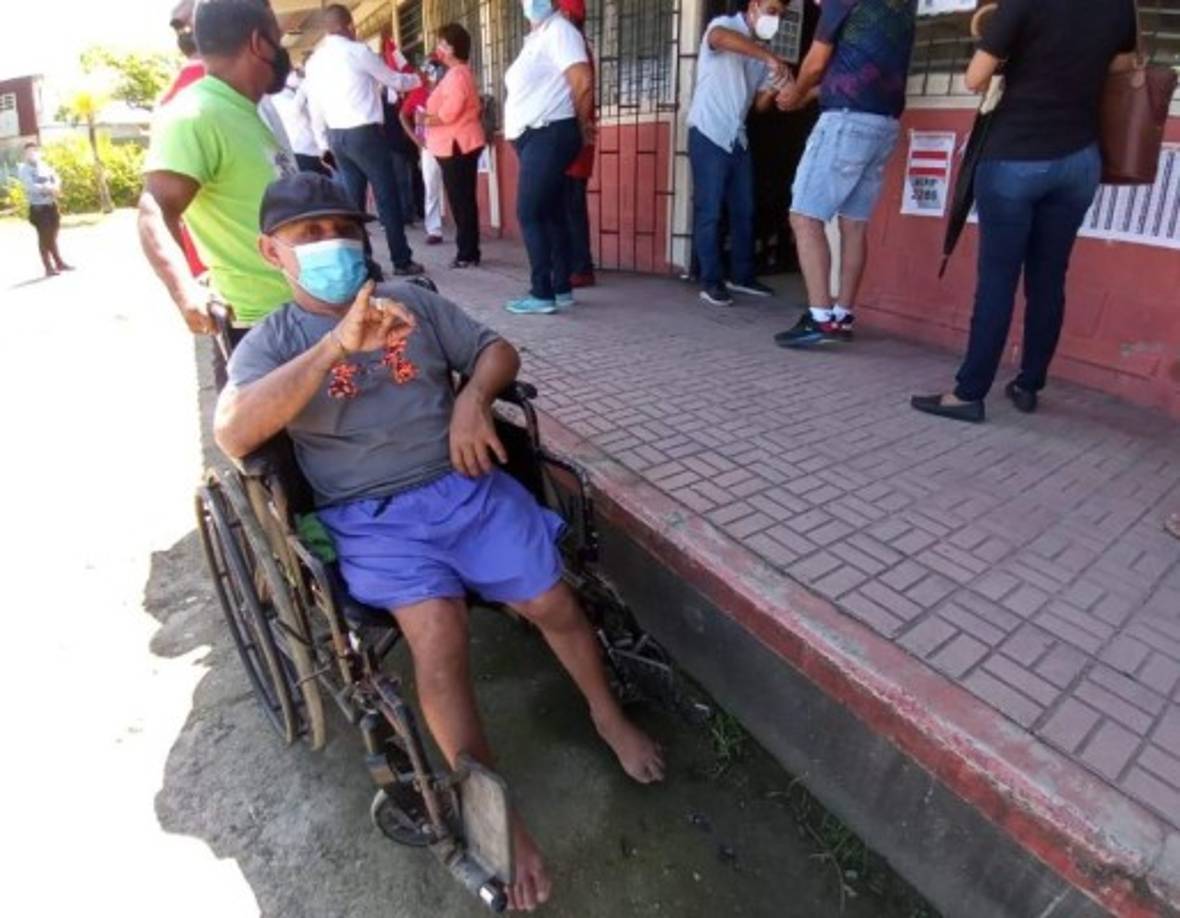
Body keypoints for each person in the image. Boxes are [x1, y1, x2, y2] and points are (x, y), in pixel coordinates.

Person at [215, 172, 665, 912]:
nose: (333, 245)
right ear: (273, 252)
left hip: (463, 484)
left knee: (553, 599)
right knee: (437, 633)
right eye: (309, 236)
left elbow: (496, 350)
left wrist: (470, 400)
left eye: (343, 231)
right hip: (369, 514)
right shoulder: (273, 343)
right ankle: (496, 812)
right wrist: (335, 346)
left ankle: (606, 714)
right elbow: (234, 433)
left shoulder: (415, 302)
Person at [911, 0, 1136, 422]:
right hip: (1080, 159)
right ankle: (1029, 385)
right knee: (1049, 280)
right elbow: (1124, 69)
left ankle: (968, 394)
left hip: (1016, 156)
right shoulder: (1119, 7)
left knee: (997, 281)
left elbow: (976, 78)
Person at [139, 0, 296, 338]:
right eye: (277, 39)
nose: (282, 52)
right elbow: (154, 210)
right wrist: (185, 292)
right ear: (258, 43)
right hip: (264, 325)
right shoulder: (196, 115)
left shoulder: (248, 109)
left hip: (300, 308)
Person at [774, 0, 917, 347]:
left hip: (845, 123)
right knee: (854, 225)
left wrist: (795, 92)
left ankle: (820, 320)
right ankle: (842, 315)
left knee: (805, 217)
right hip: (883, 126)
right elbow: (861, 69)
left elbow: (817, 61)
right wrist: (809, 96)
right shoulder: (902, 6)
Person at [303, 4, 425, 277]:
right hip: (364, 134)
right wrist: (420, 79)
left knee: (354, 205)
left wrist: (323, 143)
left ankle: (363, 264)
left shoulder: (314, 62)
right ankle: (401, 260)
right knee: (386, 197)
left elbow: (315, 107)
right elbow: (394, 80)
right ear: (349, 25)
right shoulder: (358, 52)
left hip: (337, 137)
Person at [687, 0, 790, 307]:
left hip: (736, 137)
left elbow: (758, 105)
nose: (776, 19)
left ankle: (742, 276)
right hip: (708, 132)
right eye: (772, 10)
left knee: (744, 210)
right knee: (710, 211)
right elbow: (718, 39)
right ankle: (710, 281)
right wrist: (769, 57)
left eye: (781, 15)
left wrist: (774, 86)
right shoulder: (725, 26)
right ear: (755, 4)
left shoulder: (761, 52)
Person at [502, 0, 595, 316]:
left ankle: (541, 292)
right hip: (537, 137)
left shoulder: (560, 30)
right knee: (552, 213)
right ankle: (561, 287)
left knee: (529, 213)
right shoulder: (538, 37)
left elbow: (582, 79)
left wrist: (582, 127)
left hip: (550, 133)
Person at [426, 24, 486, 269]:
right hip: (454, 144)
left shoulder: (458, 74)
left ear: (452, 48)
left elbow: (450, 112)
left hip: (457, 144)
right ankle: (468, 250)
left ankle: (467, 252)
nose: (438, 48)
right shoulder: (454, 73)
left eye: (442, 44)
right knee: (462, 199)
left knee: (461, 200)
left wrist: (427, 119)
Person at [558, 0, 596, 289]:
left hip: (575, 136)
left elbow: (582, 88)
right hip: (572, 135)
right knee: (570, 203)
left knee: (572, 204)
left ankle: (581, 267)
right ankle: (576, 262)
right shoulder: (572, 43)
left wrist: (580, 129)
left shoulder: (574, 45)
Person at [399, 58, 446, 246]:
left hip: (450, 142)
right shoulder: (418, 93)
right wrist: (415, 139)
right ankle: (434, 229)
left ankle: (462, 226)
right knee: (431, 186)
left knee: (454, 187)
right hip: (429, 145)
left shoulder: (446, 91)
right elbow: (403, 115)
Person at [18, 142, 72, 278]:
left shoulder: (44, 166)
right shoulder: (24, 169)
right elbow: (30, 186)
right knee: (44, 238)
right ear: (25, 155)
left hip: (51, 206)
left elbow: (56, 177)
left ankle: (59, 263)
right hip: (38, 209)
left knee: (53, 236)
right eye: (29, 152)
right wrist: (48, 189)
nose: (32, 154)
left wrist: (56, 186)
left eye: (34, 151)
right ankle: (48, 267)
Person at [272, 70, 329, 175]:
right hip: (303, 150)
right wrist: (303, 88)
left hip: (317, 146)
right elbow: (294, 110)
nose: (296, 75)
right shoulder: (277, 97)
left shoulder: (294, 92)